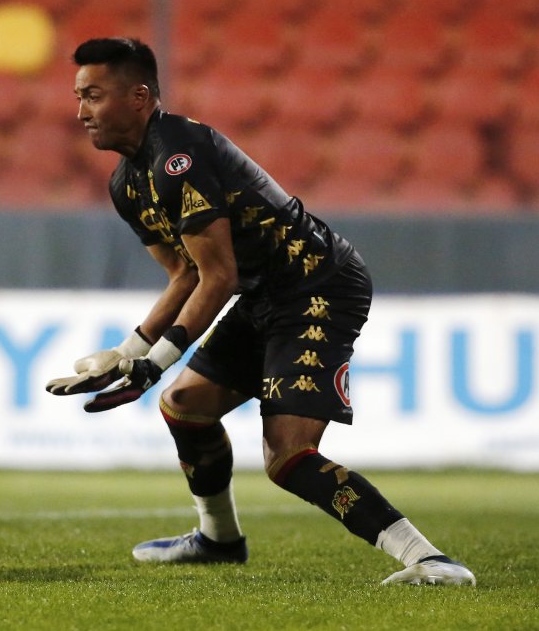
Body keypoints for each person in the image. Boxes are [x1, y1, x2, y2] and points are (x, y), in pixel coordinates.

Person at [45, 37, 475, 586]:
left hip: (317, 283)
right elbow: (185, 274)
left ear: (139, 97)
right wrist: (126, 354)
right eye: (79, 97)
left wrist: (153, 365)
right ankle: (218, 540)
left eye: (93, 96)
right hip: (265, 294)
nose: (81, 112)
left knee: (288, 455)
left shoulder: (180, 156)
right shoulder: (127, 184)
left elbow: (218, 276)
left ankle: (431, 560)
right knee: (185, 405)